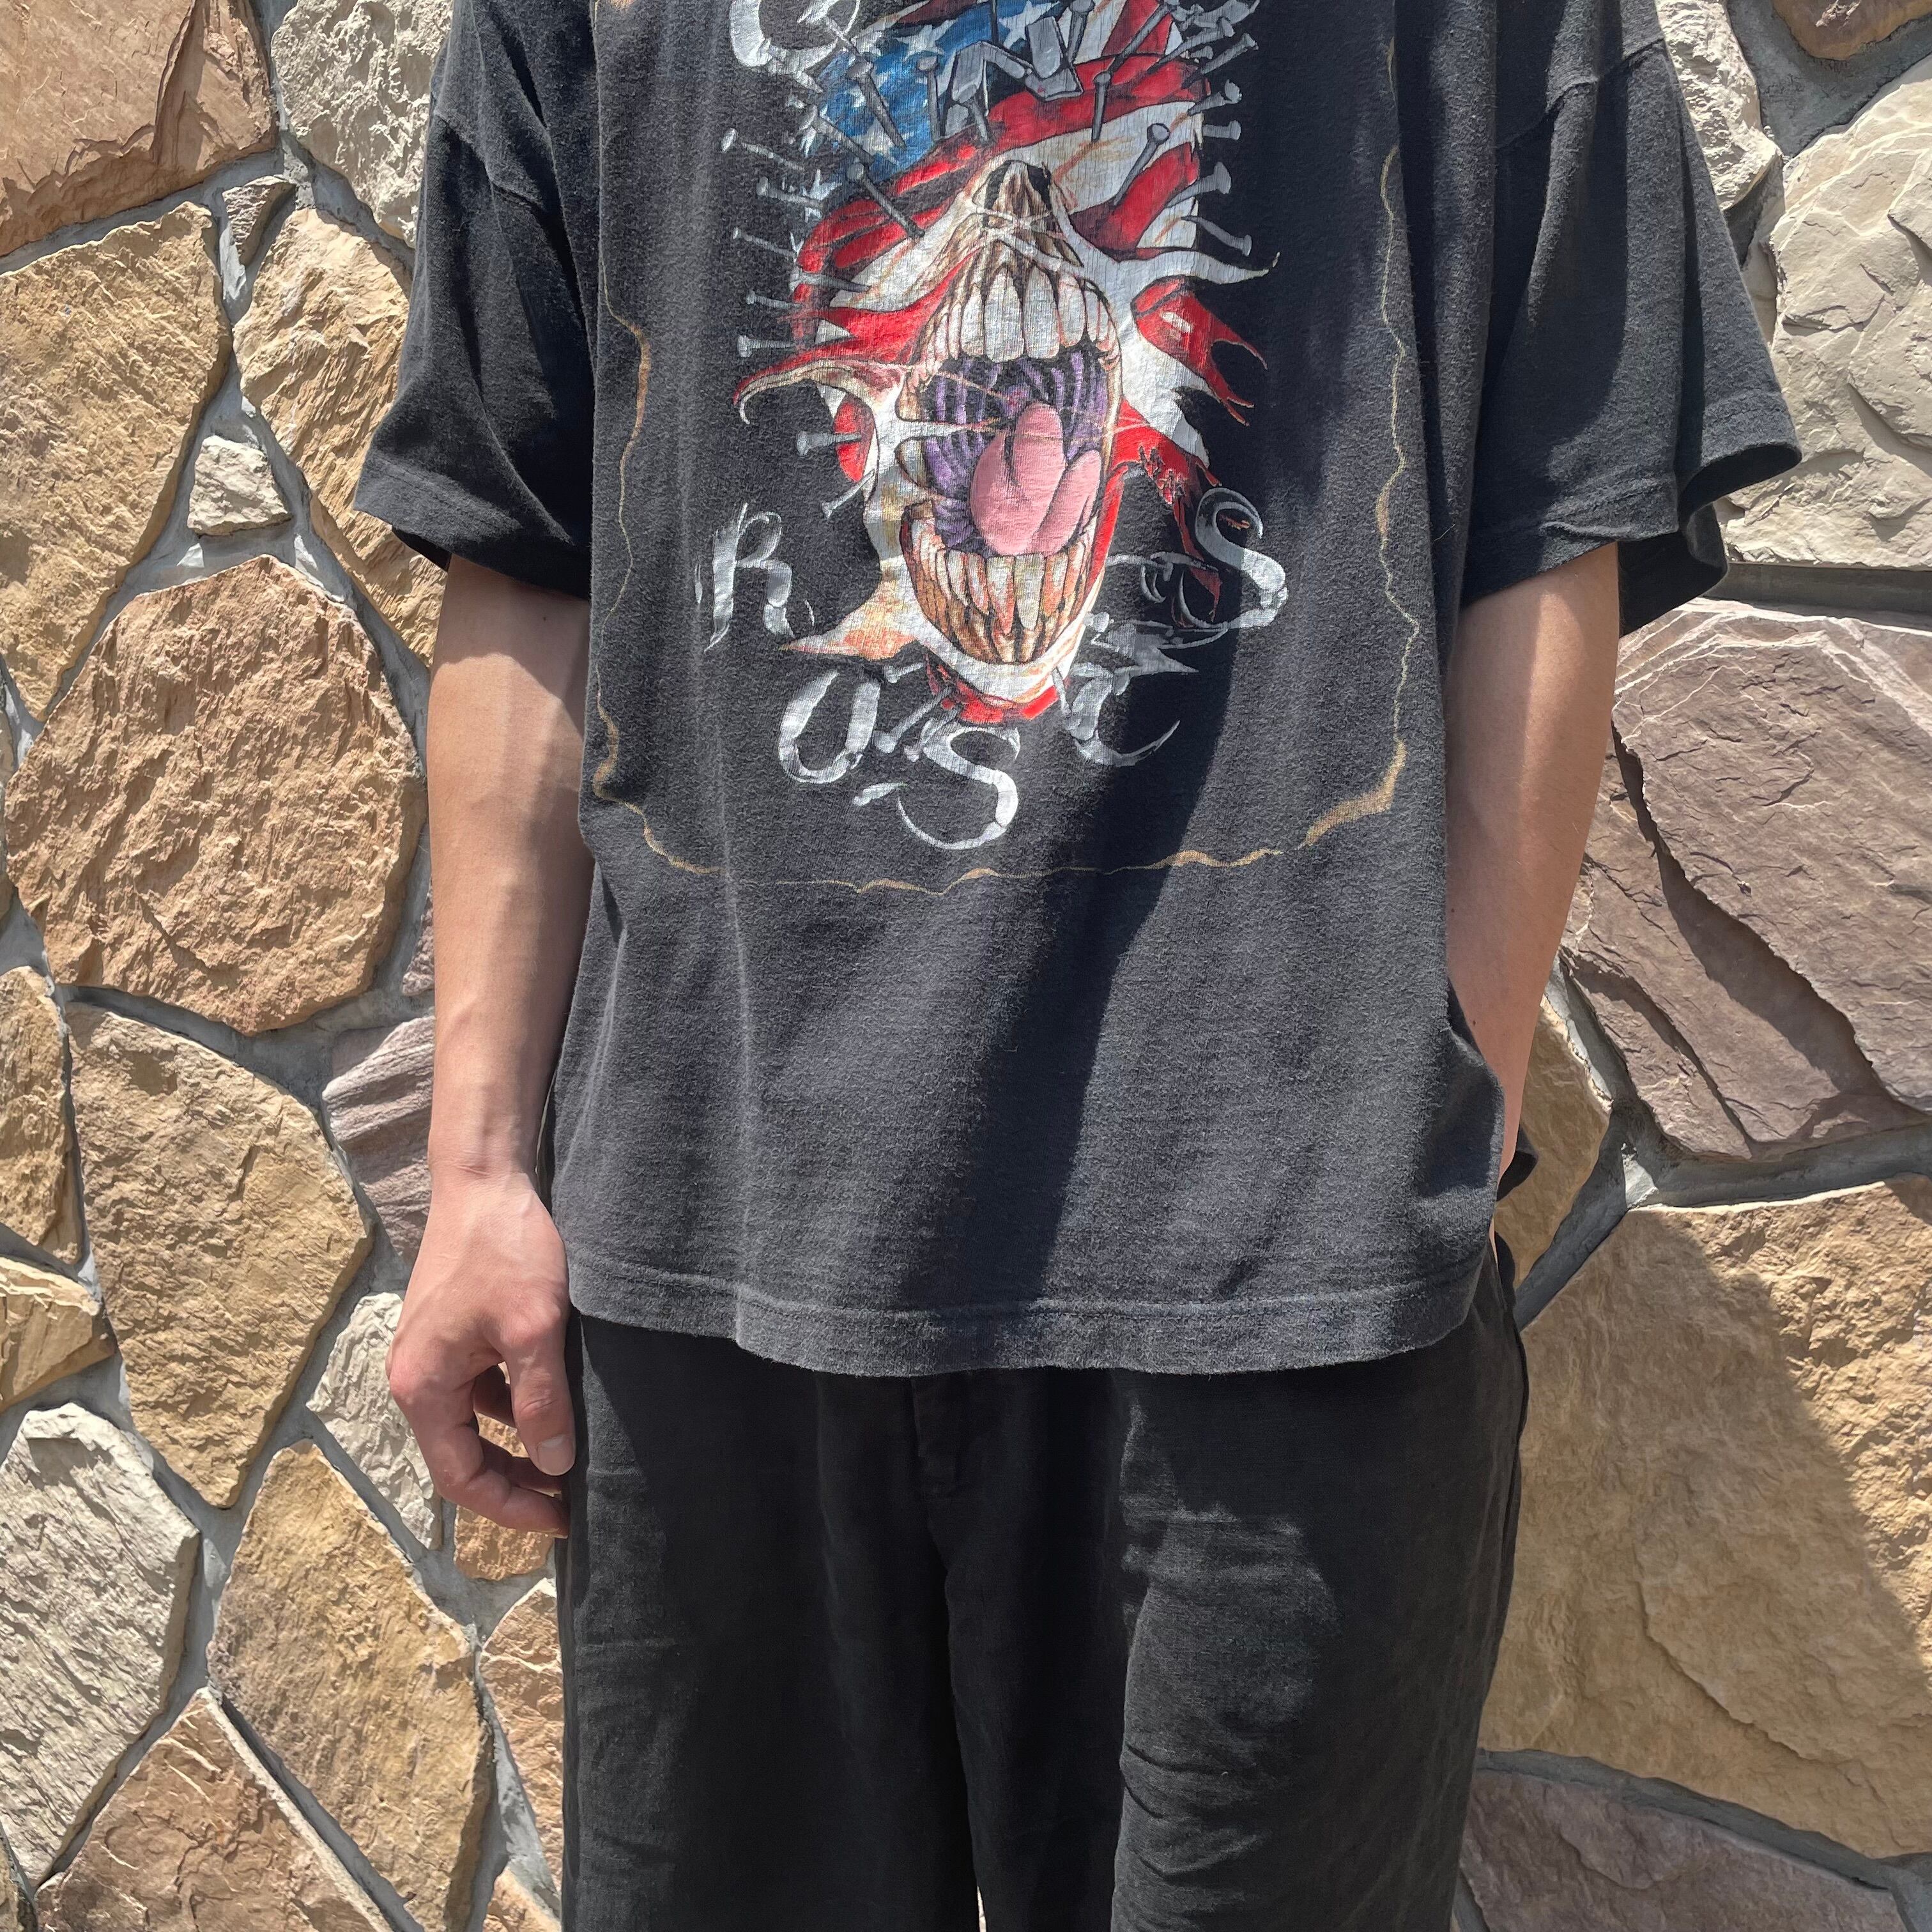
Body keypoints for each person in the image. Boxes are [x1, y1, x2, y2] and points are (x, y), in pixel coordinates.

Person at [359, 0, 1796, 1922]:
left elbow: (1558, 502)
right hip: (716, 1253)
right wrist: (474, 1173)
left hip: (1280, 1277)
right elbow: (526, 539)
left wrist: (1437, 1088)